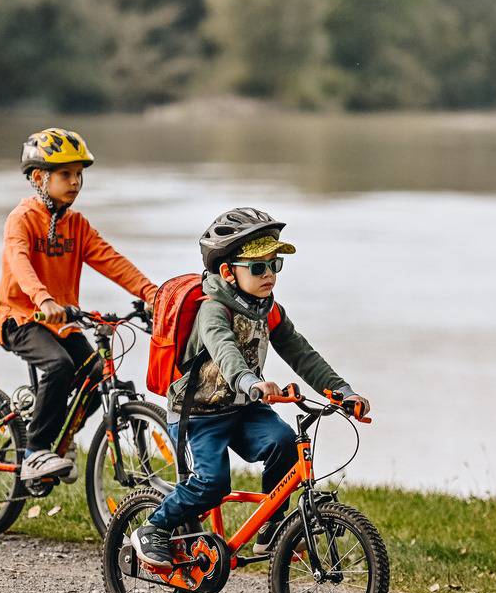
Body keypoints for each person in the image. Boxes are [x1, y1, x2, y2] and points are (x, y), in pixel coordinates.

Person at [131, 208, 370, 569]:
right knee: (212, 485)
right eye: (258, 267)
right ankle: (153, 528)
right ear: (228, 272)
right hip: (198, 414)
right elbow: (224, 351)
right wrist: (251, 382)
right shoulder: (211, 310)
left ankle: (272, 531)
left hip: (243, 408)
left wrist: (341, 390)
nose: (270, 275)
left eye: (275, 265)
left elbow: (301, 352)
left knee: (284, 442)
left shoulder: (267, 309)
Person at [0, 128, 158, 483]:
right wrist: (44, 298)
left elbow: (112, 261)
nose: (75, 182)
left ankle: (60, 440)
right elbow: (20, 262)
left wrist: (154, 294)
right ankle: (36, 451)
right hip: (21, 318)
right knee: (58, 366)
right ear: (39, 178)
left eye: (79, 174)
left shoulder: (77, 226)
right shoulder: (21, 219)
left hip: (61, 320)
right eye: (66, 174)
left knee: (98, 374)